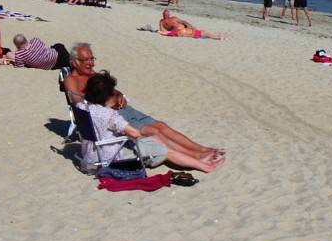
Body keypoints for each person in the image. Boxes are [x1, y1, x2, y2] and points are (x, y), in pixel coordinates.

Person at [64, 44, 224, 163]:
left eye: (92, 59)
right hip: (113, 116)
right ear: (74, 62)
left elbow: (111, 89)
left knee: (162, 125)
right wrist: (107, 101)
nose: (91, 63)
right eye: (86, 60)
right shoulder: (72, 80)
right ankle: (196, 156)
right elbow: (80, 104)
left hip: (124, 108)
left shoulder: (93, 74)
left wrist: (119, 95)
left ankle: (201, 149)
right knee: (154, 131)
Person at [81, 71, 226, 174]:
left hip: (90, 158)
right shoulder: (110, 115)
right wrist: (128, 132)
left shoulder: (83, 108)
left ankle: (200, 156)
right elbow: (135, 133)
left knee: (155, 138)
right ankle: (205, 166)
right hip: (111, 157)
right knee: (162, 148)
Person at [158, 10, 228, 39]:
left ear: (163, 15)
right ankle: (217, 37)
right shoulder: (174, 18)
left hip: (179, 30)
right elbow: (183, 22)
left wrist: (167, 31)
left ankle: (217, 36)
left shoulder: (162, 21)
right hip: (182, 30)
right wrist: (189, 25)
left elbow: (162, 31)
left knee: (203, 32)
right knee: (204, 33)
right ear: (169, 14)